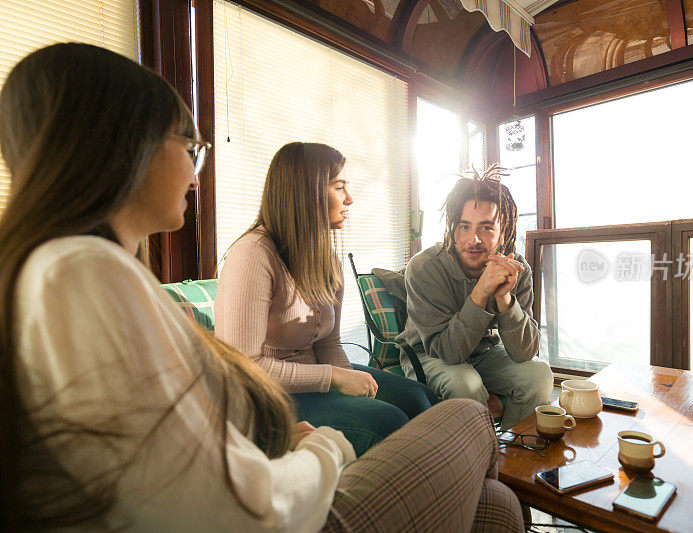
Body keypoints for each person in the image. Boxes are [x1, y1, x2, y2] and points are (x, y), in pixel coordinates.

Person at [0, 43, 523, 531]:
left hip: (267, 462)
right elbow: (229, 499)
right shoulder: (84, 274)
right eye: (189, 147)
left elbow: (186, 435)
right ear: (124, 145)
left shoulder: (90, 272)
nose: (195, 175)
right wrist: (325, 450)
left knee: (493, 503)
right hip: (280, 507)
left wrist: (298, 416)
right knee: (466, 415)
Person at [215, 142, 437, 456]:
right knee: (389, 421)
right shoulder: (253, 253)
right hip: (263, 397)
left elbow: (327, 344)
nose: (350, 198)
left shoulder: (327, 259)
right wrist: (334, 378)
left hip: (314, 384)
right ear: (306, 192)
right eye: (340, 187)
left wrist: (353, 388)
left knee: (421, 399)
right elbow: (244, 366)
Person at [397, 166, 554, 429]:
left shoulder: (516, 268)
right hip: (429, 354)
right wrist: (481, 290)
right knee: (465, 383)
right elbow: (448, 352)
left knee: (539, 375)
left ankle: (512, 455)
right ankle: (479, 459)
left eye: (487, 228)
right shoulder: (425, 268)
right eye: (463, 226)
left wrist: (505, 300)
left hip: (485, 352)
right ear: (450, 227)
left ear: (504, 230)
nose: (474, 239)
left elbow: (525, 351)